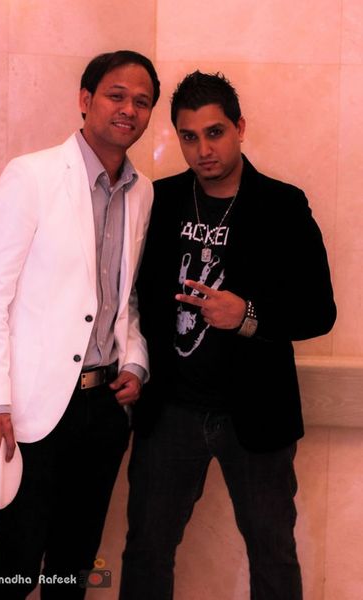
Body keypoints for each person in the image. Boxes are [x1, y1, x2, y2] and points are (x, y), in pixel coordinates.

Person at [119, 71, 336, 600]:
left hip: (256, 415)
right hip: (170, 412)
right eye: (189, 137)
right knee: (146, 551)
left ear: (240, 128)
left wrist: (248, 315)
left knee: (273, 554)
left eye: (215, 133)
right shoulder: (160, 200)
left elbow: (319, 311)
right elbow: (131, 297)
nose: (203, 150)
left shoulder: (283, 205)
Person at [0, 49, 160, 599]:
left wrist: (136, 362)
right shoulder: (32, 175)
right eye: (116, 95)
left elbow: (125, 297)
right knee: (15, 563)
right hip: (32, 412)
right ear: (85, 99)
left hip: (105, 410)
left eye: (142, 101)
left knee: (72, 567)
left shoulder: (142, 192)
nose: (129, 109)